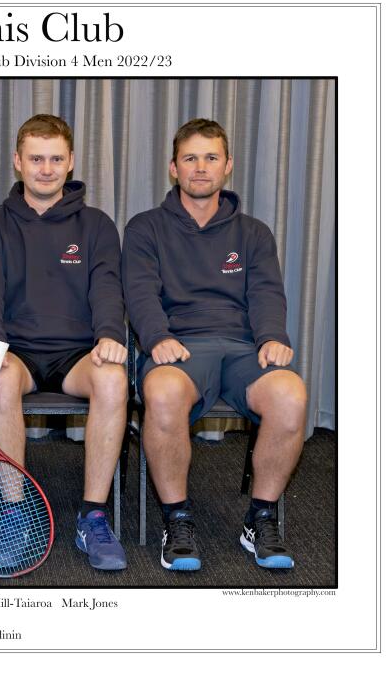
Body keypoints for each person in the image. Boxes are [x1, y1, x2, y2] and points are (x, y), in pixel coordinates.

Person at [122, 118, 307, 571]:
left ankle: (260, 519)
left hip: (244, 349)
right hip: (180, 347)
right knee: (163, 392)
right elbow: (140, 293)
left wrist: (273, 336)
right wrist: (157, 337)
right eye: (190, 158)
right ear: (173, 167)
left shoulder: (254, 233)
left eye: (210, 158)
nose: (200, 167)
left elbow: (267, 294)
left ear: (228, 165)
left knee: (291, 395)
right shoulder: (146, 228)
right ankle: (177, 520)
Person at [0, 114, 128, 571]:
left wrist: (110, 334)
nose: (46, 169)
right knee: (0, 378)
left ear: (71, 161)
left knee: (113, 379)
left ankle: (93, 516)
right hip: (16, 350)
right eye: (36, 159)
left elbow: (107, 288)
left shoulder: (96, 226)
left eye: (56, 159)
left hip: (78, 352)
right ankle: (13, 512)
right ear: (18, 162)